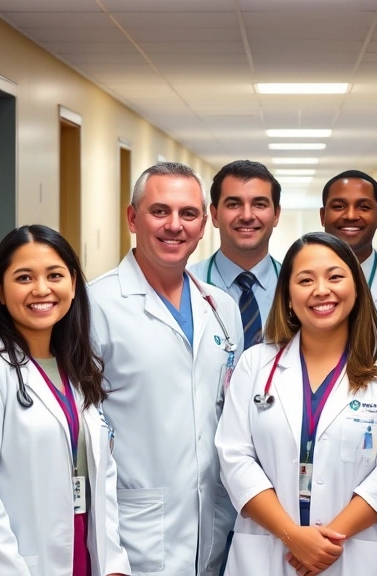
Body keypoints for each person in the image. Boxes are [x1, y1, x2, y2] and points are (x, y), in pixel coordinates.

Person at [216, 231, 377, 576]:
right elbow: (234, 457)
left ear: (357, 288)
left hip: (358, 553)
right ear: (286, 297)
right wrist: (292, 536)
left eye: (335, 276)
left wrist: (327, 541)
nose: (321, 290)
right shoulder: (255, 365)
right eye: (305, 280)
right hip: (268, 553)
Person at [0, 225, 130, 576]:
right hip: (11, 565)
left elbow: (101, 475)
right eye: (24, 277)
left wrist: (114, 563)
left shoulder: (78, 368)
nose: (41, 289)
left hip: (83, 557)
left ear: (73, 284)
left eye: (55, 275)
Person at [89, 162, 243, 575]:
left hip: (211, 526)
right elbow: (85, 434)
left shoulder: (222, 308)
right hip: (132, 531)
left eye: (188, 214)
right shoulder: (95, 305)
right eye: (160, 211)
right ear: (132, 218)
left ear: (204, 223)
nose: (174, 226)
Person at [189, 160, 282, 351]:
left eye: (259, 204)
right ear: (214, 215)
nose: (247, 215)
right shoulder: (189, 285)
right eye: (233, 204)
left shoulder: (294, 285)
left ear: (276, 215)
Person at [320, 170, 377, 338]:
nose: (351, 216)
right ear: (323, 216)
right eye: (339, 206)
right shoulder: (299, 282)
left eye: (364, 207)